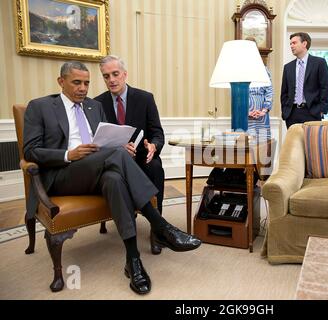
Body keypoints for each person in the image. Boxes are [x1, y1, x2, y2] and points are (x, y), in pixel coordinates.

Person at [23, 61, 201, 295]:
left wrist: (119, 146)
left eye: (87, 83)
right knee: (116, 158)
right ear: (61, 82)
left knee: (115, 180)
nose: (83, 88)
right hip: (62, 174)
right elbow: (30, 151)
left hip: (96, 170)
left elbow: (103, 142)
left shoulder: (94, 107)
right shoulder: (40, 106)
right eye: (77, 82)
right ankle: (161, 226)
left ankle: (133, 260)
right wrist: (69, 154)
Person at [95, 55, 166, 255]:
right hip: (114, 162)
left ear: (124, 74)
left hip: (143, 158)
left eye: (115, 74)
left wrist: (153, 145)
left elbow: (157, 132)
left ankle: (156, 228)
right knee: (113, 176)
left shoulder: (145, 98)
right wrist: (116, 149)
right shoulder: (97, 103)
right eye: (106, 76)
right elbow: (96, 141)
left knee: (155, 167)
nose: (111, 80)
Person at [281, 32, 328, 128]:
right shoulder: (288, 67)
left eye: (294, 43)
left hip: (312, 112)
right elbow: (284, 92)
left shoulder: (319, 63)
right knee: (294, 143)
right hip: (292, 113)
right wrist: (285, 111)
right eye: (290, 44)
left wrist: (321, 110)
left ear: (304, 44)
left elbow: (325, 88)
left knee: (311, 143)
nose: (291, 46)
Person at [246, 37, 273, 140]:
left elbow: (269, 91)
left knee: (262, 145)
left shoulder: (264, 69)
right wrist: (245, 112)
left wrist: (263, 110)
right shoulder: (238, 70)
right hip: (244, 114)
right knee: (244, 144)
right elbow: (235, 94)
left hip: (261, 113)